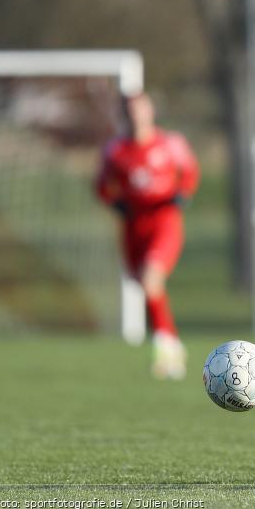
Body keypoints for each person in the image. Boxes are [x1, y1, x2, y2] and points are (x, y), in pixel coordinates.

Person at [96, 91, 199, 379]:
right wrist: (116, 203)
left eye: (140, 109)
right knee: (145, 285)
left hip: (164, 221)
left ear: (150, 111)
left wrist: (182, 194)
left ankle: (164, 347)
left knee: (150, 278)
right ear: (123, 114)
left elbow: (190, 173)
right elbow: (103, 185)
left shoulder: (171, 143)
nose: (135, 115)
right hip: (133, 225)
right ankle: (172, 344)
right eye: (129, 110)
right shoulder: (115, 150)